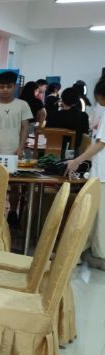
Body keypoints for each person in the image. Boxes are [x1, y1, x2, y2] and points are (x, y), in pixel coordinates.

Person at [66, 76, 105, 269]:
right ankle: (82, 251)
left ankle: (98, 254)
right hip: (100, 173)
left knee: (97, 216)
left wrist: (78, 160)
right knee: (94, 214)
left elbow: (100, 144)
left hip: (103, 174)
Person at [0, 71, 31, 157]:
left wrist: (21, 148)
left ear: (15, 87)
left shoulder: (23, 105)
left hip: (15, 150)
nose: (5, 90)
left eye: (9, 86)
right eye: (2, 87)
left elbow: (25, 127)